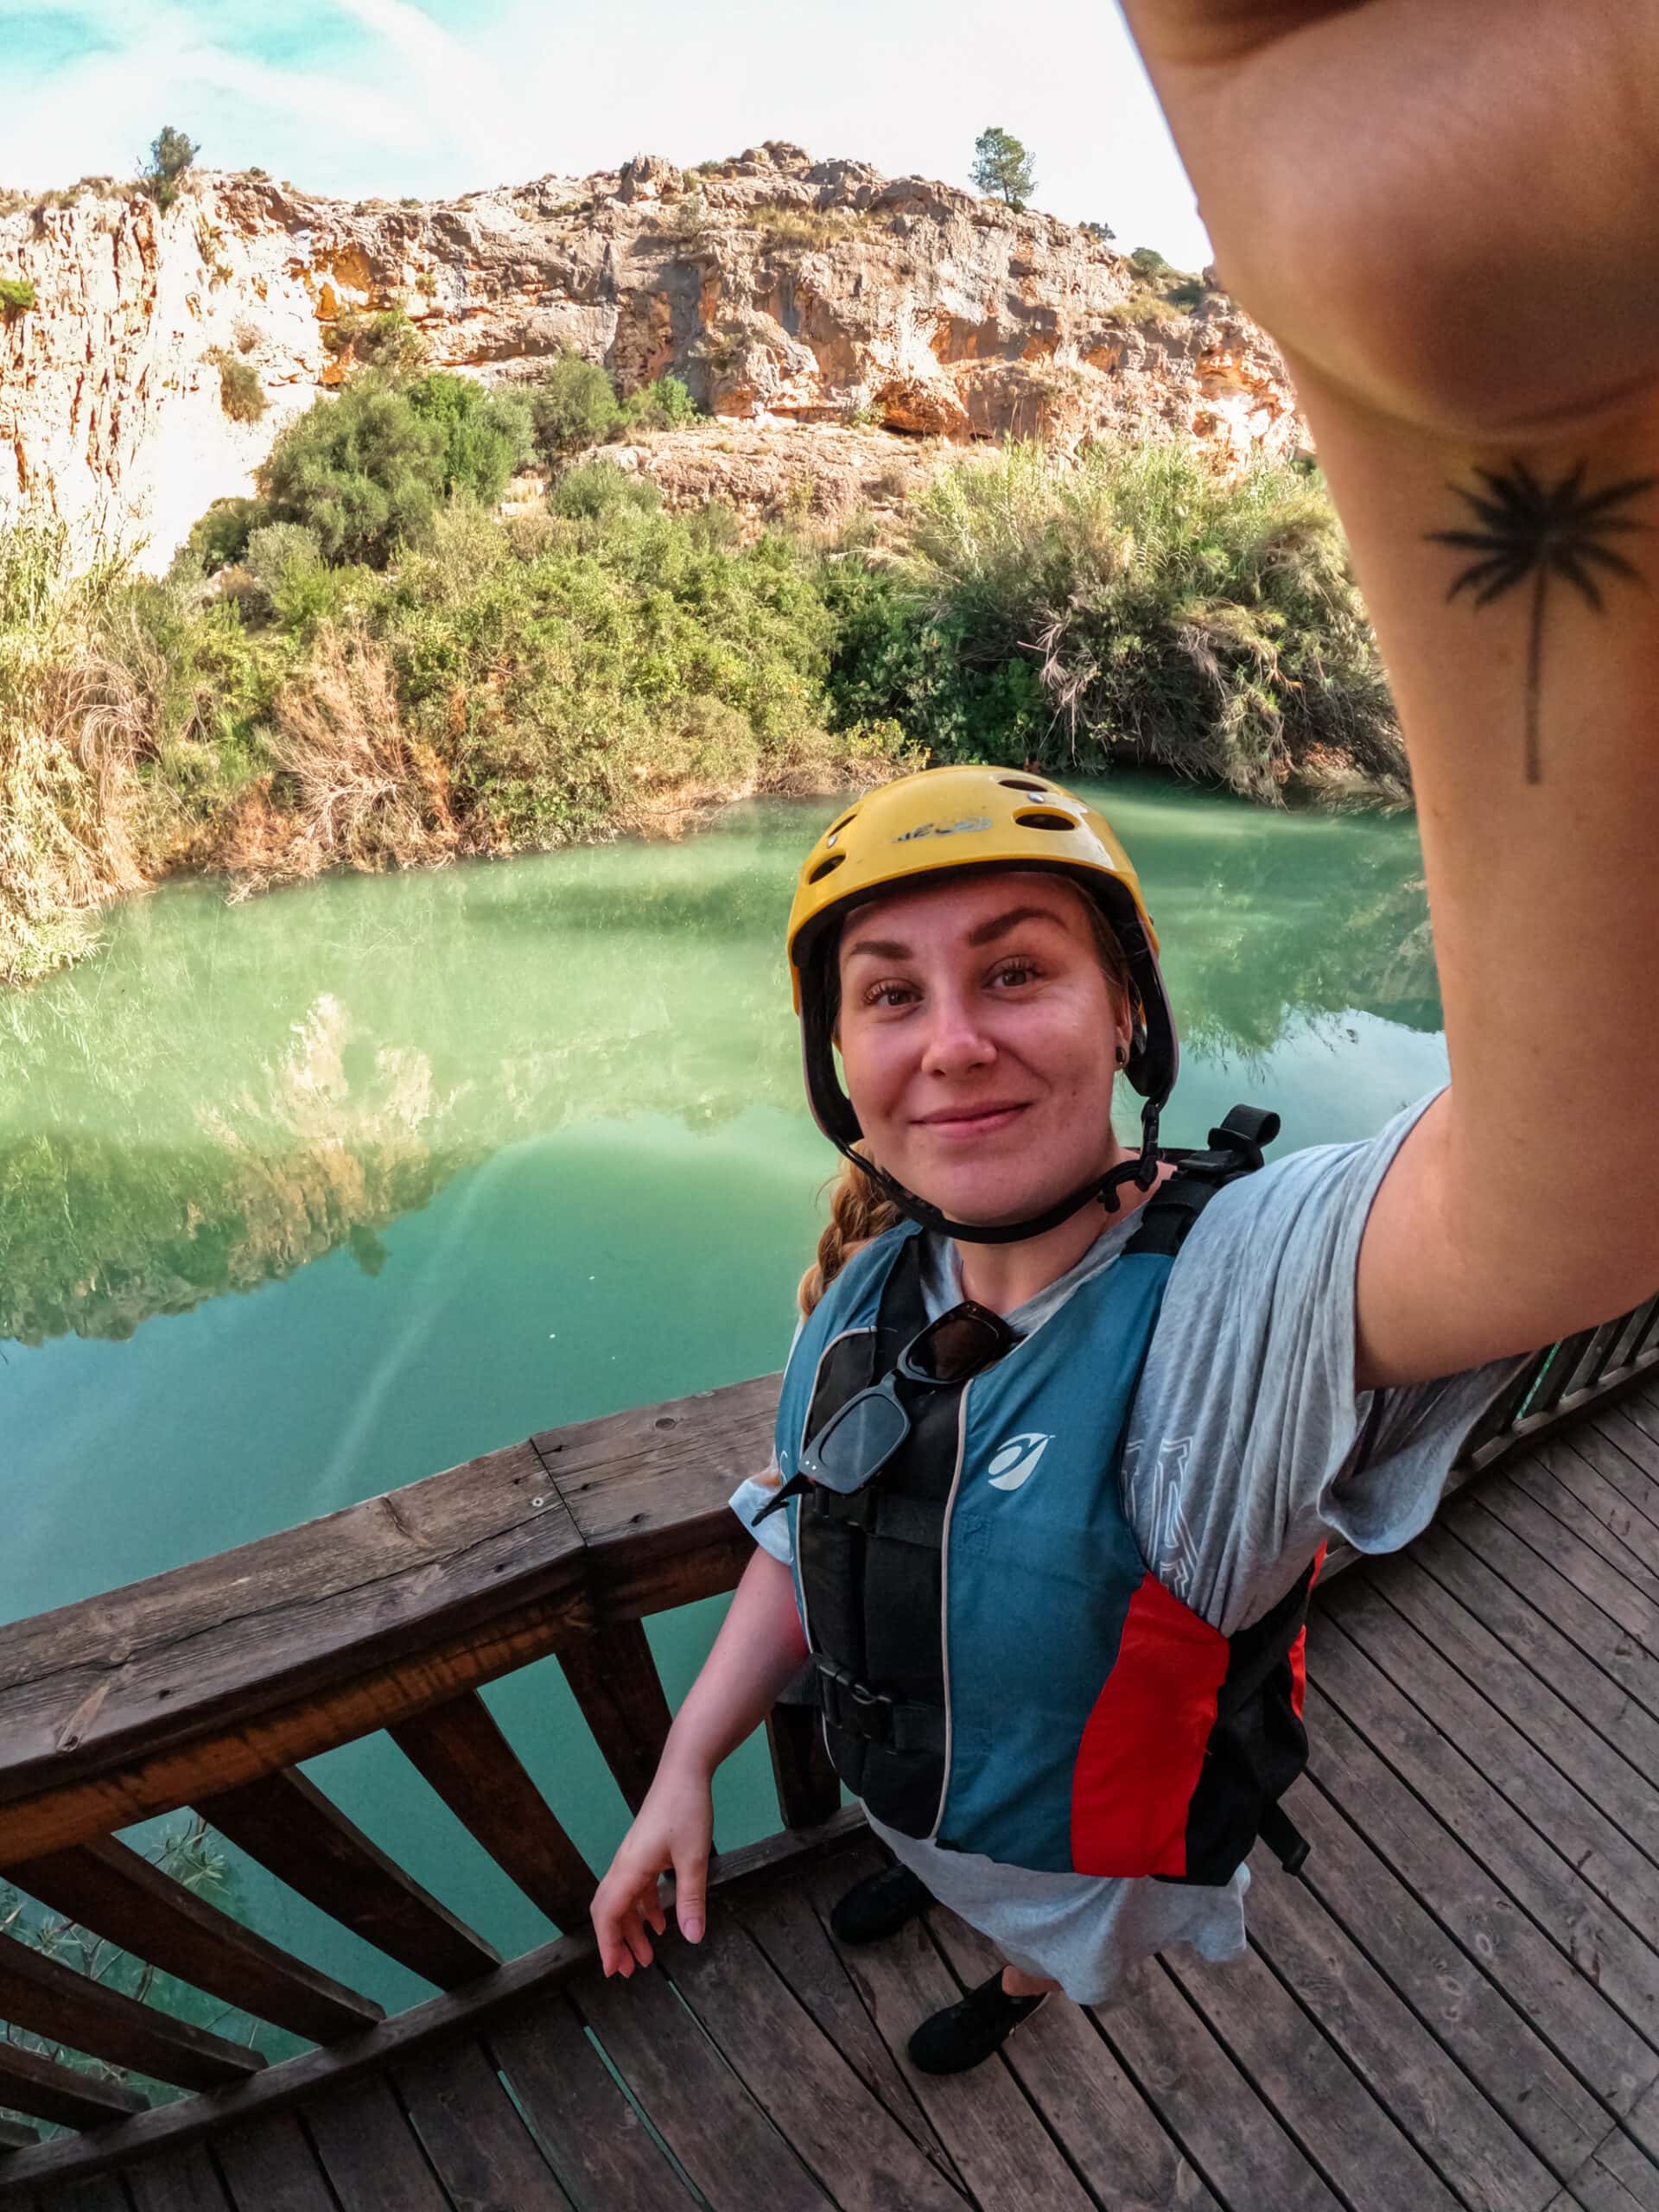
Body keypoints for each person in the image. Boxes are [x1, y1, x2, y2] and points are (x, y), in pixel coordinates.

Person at [591, 0, 1659, 2075]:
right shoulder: (867, 1290)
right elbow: (797, 1532)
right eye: (887, 996)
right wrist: (685, 1763)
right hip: (918, 1773)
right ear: (840, 1067)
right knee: (926, 1822)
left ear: (1127, 1021)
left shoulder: (1231, 1311)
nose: (952, 1043)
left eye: (1019, 969)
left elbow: (1581, 1191)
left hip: (1085, 1857)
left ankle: (1005, 1975)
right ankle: (923, 1870)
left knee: (1040, 1928)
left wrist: (1522, 420)